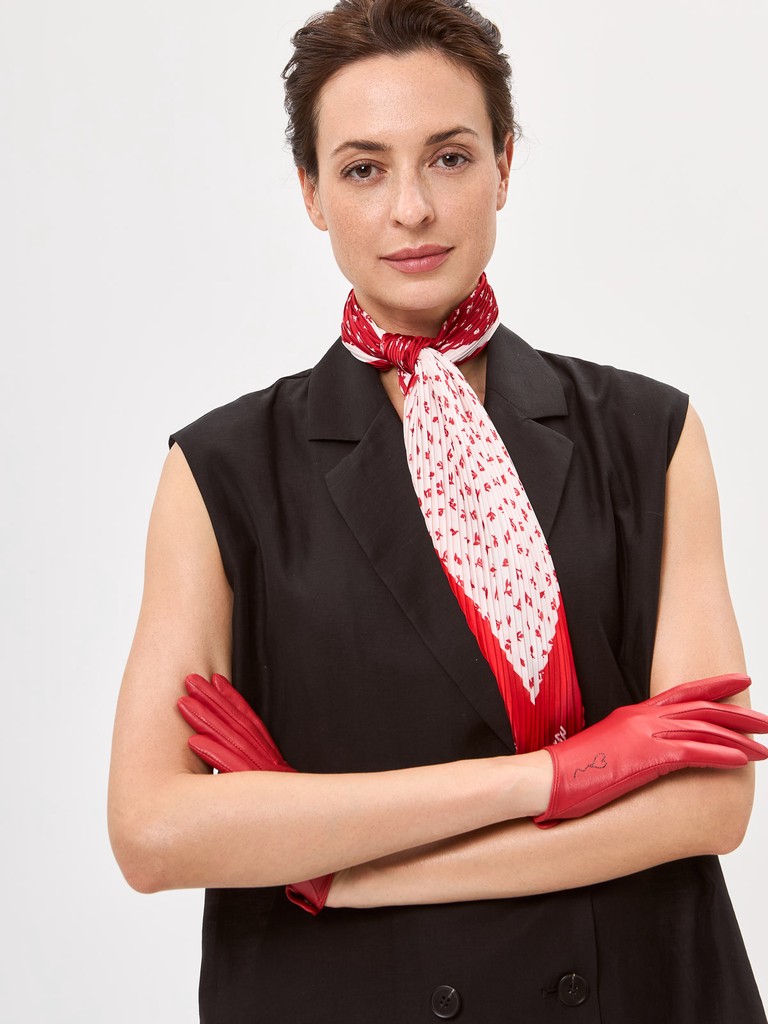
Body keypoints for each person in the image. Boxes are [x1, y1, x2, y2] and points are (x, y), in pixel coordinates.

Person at [108, 1, 768, 1020]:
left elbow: (712, 804)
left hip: (637, 988)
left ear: (504, 165)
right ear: (311, 192)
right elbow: (153, 833)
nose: (411, 208)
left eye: (449, 157)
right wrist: (555, 777)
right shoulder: (220, 469)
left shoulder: (651, 432)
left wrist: (341, 869)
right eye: (363, 169)